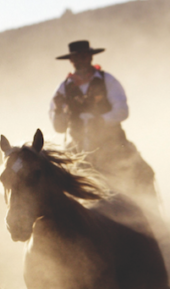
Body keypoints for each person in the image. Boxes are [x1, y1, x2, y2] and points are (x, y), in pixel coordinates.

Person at [49, 40, 158, 211]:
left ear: (90, 57)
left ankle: (155, 221)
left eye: (83, 56)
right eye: (76, 58)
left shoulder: (108, 80)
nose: (80, 61)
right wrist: (58, 111)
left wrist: (102, 120)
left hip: (112, 142)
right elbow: (59, 127)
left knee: (143, 173)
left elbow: (122, 110)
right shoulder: (62, 89)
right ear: (71, 61)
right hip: (78, 147)